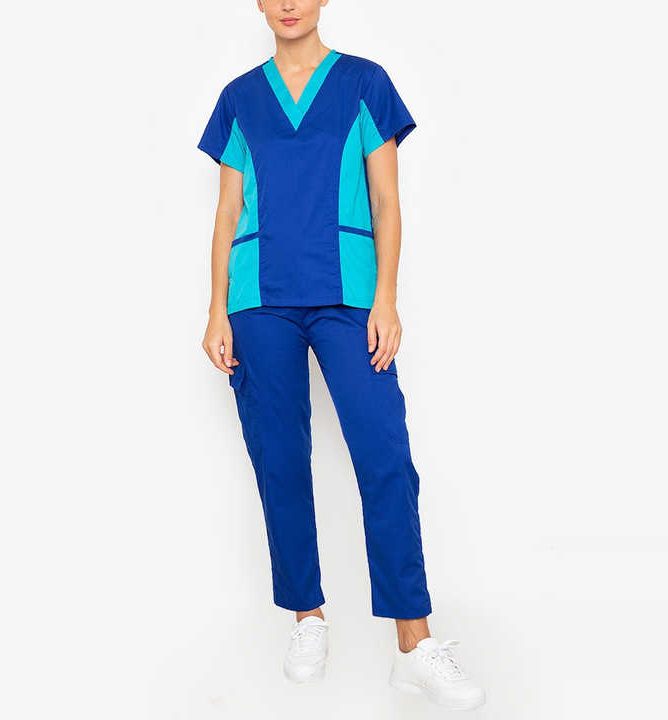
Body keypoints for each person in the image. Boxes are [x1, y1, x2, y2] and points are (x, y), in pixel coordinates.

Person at [198, 1, 485, 708]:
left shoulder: (364, 83)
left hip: (348, 296)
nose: (289, 3)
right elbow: (228, 210)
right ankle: (307, 616)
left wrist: (386, 299)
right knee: (279, 455)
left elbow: (387, 200)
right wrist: (215, 310)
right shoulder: (240, 98)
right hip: (259, 297)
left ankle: (414, 645)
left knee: (385, 453)